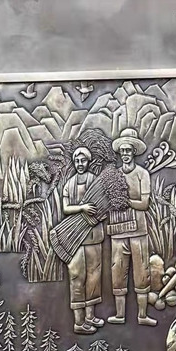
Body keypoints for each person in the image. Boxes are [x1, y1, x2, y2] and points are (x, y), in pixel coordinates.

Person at [107, 128, 155, 327]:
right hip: (118, 232)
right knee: (118, 272)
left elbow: (144, 204)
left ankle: (142, 315)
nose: (125, 154)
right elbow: (108, 202)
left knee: (142, 272)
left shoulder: (142, 174)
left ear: (134, 152)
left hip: (139, 232)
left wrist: (124, 201)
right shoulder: (113, 176)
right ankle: (120, 314)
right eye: (123, 151)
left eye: (128, 150)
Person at [62, 147, 104, 335]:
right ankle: (79, 321)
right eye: (77, 161)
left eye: (83, 161)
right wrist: (82, 208)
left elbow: (102, 205)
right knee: (77, 276)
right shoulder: (69, 184)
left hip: (94, 236)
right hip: (75, 238)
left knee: (94, 276)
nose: (80, 164)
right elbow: (65, 208)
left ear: (88, 162)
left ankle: (90, 316)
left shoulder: (95, 181)